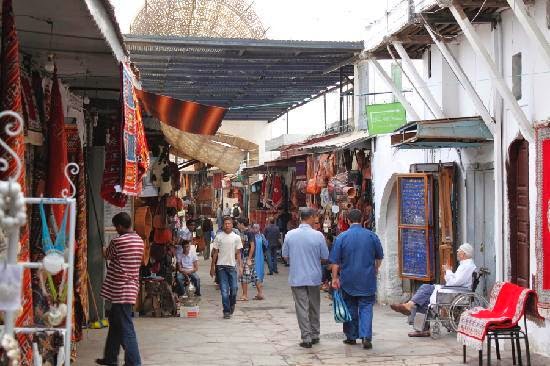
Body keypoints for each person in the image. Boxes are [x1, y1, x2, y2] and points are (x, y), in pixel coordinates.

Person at [390, 243, 477, 337]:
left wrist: (448, 271)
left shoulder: (467, 266)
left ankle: (410, 307)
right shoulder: (465, 265)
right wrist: (449, 272)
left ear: (463, 254)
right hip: (454, 290)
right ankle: (418, 322)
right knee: (423, 296)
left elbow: (454, 282)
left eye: (459, 250)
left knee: (424, 290)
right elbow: (455, 281)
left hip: (456, 292)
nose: (457, 252)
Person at [330, 209, 384, 349]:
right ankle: (366, 336)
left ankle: (352, 336)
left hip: (348, 279)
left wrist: (335, 278)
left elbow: (335, 262)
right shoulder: (372, 236)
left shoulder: (342, 237)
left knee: (350, 306)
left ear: (347, 220)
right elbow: (379, 257)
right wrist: (375, 269)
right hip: (367, 278)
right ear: (362, 220)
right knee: (366, 307)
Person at [97, 212, 144, 366]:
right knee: (115, 324)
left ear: (120, 226)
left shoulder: (118, 242)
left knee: (126, 328)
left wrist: (104, 250)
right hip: (131, 288)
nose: (116, 229)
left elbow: (108, 255)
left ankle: (134, 362)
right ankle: (110, 357)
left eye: (116, 227)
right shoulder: (139, 241)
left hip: (120, 291)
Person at [282, 208, 329, 349]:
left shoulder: (290, 235)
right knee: (314, 306)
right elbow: (325, 257)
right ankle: (315, 334)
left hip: (297, 276)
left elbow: (285, 255)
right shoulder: (318, 235)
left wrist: (296, 260)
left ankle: (306, 337)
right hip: (313, 276)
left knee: (301, 307)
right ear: (310, 218)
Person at [210, 216, 243, 319]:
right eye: (226, 224)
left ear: (232, 225)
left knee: (234, 289)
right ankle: (226, 311)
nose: (227, 225)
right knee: (224, 290)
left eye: (229, 224)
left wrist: (240, 266)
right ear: (223, 225)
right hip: (221, 267)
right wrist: (212, 267)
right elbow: (215, 252)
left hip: (232, 266)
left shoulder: (236, 237)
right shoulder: (219, 237)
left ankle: (232, 303)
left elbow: (238, 253)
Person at [237, 217, 263, 301]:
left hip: (247, 257)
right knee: (254, 275)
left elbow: (252, 246)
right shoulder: (244, 232)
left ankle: (245, 295)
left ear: (241, 224)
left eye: (238, 223)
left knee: (244, 275)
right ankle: (260, 293)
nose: (237, 225)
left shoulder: (249, 233)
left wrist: (249, 258)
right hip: (247, 256)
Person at [252, 223, 268, 299]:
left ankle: (260, 281)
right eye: (254, 228)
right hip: (254, 255)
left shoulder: (262, 236)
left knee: (260, 268)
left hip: (260, 255)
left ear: (259, 229)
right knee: (255, 268)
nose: (255, 229)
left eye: (256, 228)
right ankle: (256, 282)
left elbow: (266, 244)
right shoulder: (252, 236)